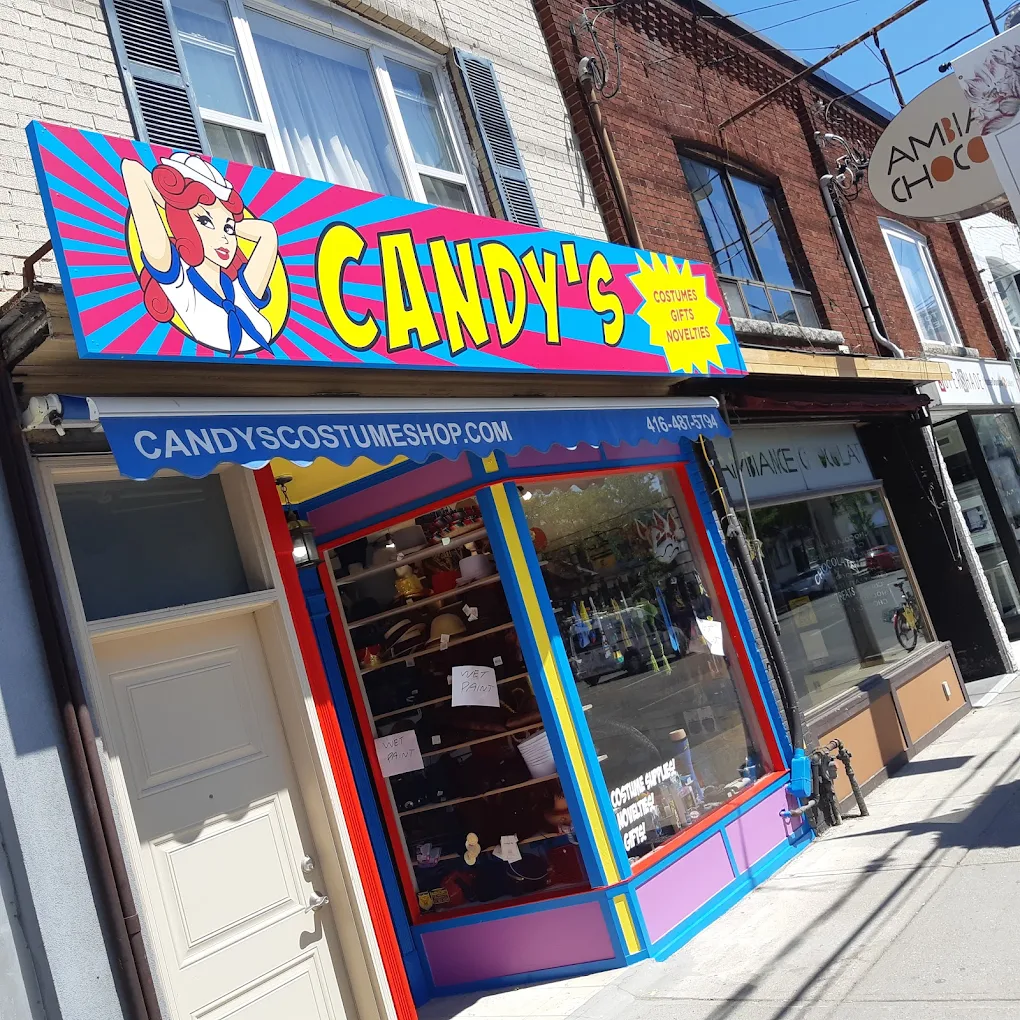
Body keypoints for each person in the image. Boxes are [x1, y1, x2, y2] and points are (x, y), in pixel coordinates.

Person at [122, 152, 279, 357]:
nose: (223, 238)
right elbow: (132, 171)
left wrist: (230, 224)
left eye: (228, 230)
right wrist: (174, 205)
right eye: (205, 222)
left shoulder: (241, 289)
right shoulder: (178, 281)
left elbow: (267, 234)